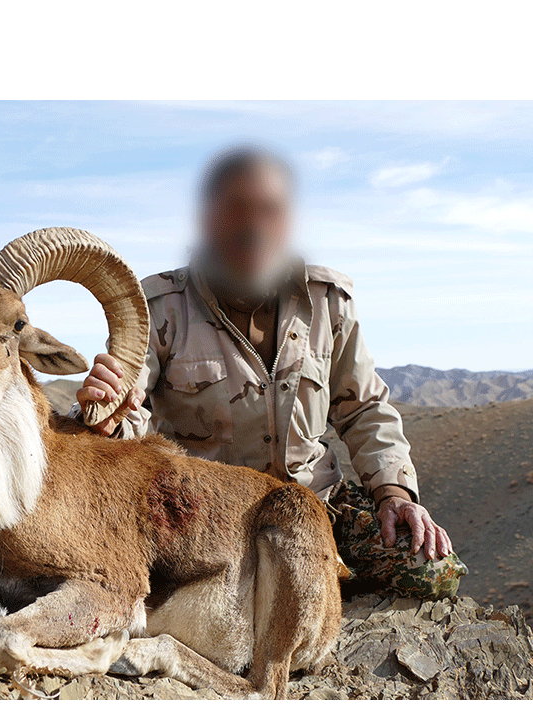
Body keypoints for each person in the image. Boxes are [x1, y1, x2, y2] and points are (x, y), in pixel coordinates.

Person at [74, 145, 467, 600]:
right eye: (236, 209)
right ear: (209, 219)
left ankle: (314, 581)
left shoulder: (328, 303)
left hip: (317, 507)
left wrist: (394, 494)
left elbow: (363, 409)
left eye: (268, 211)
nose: (252, 227)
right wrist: (105, 419)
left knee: (431, 570)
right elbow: (128, 403)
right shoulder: (159, 308)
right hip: (204, 517)